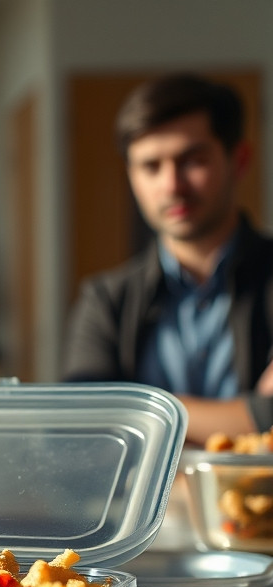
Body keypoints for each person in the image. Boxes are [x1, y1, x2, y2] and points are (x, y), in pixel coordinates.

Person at [63, 74, 273, 446]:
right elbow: (84, 430)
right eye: (150, 166)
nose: (172, 185)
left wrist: (133, 409)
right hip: (139, 507)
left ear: (238, 160)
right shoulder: (107, 300)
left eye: (192, 160)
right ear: (130, 175)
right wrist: (242, 417)